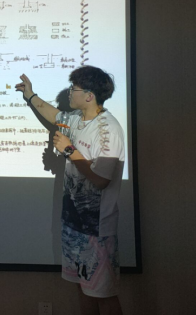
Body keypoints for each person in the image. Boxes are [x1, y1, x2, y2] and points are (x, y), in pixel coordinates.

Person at [16, 67, 126, 315]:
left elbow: (101, 180)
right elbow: (54, 114)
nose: (70, 92)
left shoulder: (108, 130)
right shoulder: (77, 119)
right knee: (83, 289)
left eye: (74, 88)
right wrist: (30, 95)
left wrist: (69, 151)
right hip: (73, 225)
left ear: (89, 95)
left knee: (104, 295)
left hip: (96, 231)